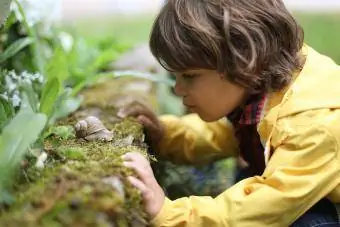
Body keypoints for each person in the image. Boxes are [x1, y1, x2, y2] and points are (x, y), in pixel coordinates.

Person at [118, 0, 340, 226]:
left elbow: (268, 204)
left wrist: (170, 212)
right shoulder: (268, 83)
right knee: (249, 176)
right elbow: (225, 133)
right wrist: (167, 134)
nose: (177, 89)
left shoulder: (312, 122)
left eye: (190, 75)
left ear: (243, 60)